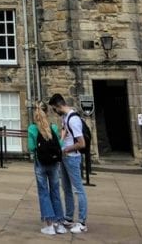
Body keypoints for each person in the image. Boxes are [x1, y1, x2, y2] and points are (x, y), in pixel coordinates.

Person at [49, 93, 88, 234]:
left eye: (54, 109)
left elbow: (81, 143)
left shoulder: (74, 120)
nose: (55, 112)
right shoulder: (65, 118)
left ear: (59, 106)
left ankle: (82, 222)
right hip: (65, 157)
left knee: (78, 189)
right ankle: (69, 218)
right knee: (66, 189)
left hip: (72, 157)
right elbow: (65, 135)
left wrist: (66, 149)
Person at [28, 100, 66, 236]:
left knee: (44, 193)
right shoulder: (53, 127)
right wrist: (62, 136)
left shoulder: (32, 129)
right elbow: (59, 145)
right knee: (55, 192)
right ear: (47, 112)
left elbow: (31, 148)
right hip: (54, 164)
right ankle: (59, 224)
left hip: (40, 164)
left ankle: (49, 225)